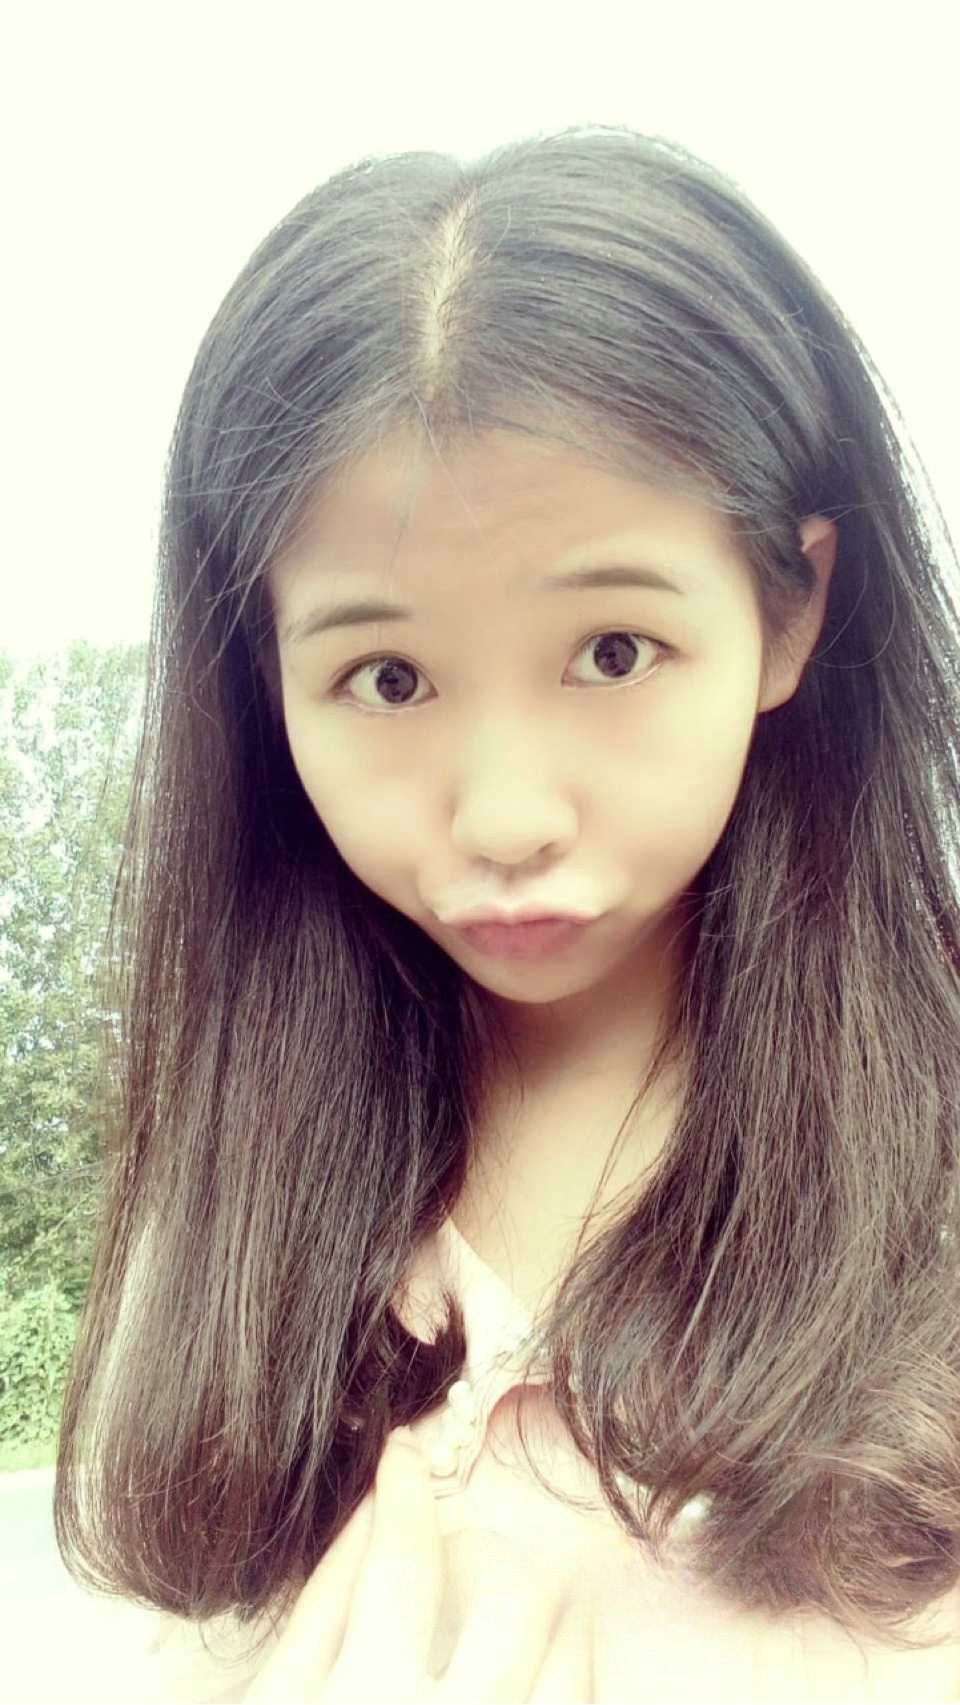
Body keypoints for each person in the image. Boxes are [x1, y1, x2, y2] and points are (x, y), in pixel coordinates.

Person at [50, 124, 960, 1700]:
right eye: (386, 677)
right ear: (268, 680)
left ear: (790, 604)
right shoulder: (230, 1229)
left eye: (612, 650)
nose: (505, 815)